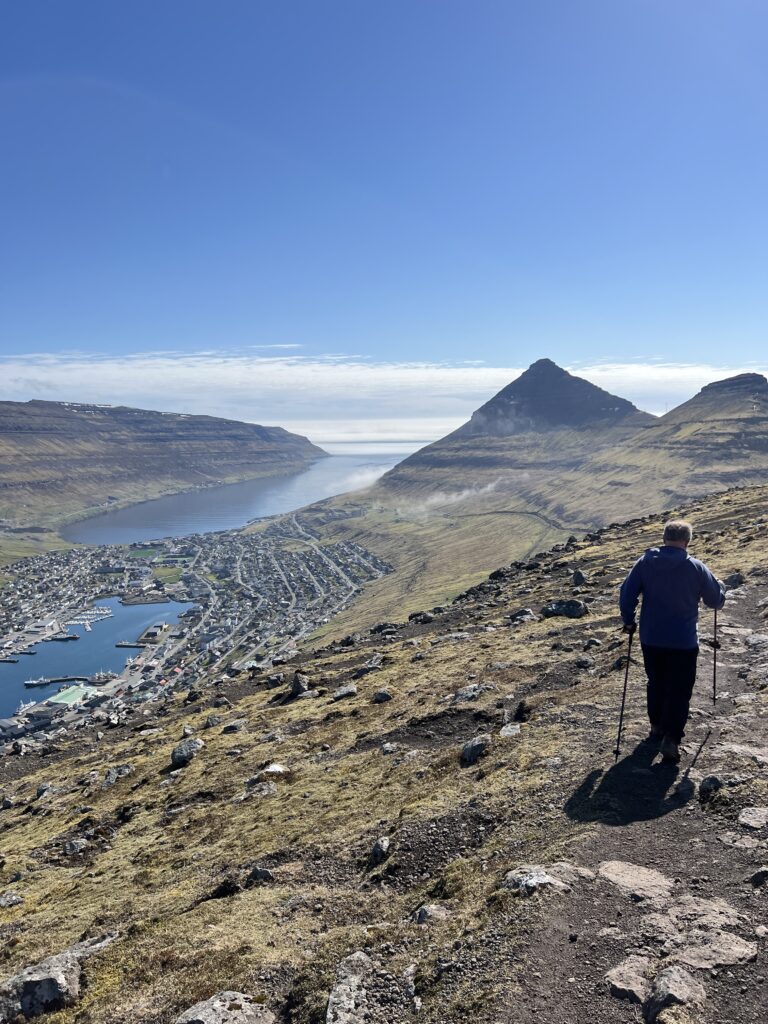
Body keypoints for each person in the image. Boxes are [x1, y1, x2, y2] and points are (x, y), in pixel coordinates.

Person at [619, 519, 725, 763]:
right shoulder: (696, 567)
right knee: (679, 689)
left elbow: (627, 594)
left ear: (664, 538)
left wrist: (628, 620)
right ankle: (671, 738)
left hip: (651, 637)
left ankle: (656, 727)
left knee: (655, 681)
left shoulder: (645, 562)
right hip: (683, 641)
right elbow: (715, 601)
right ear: (687, 541)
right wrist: (722, 591)